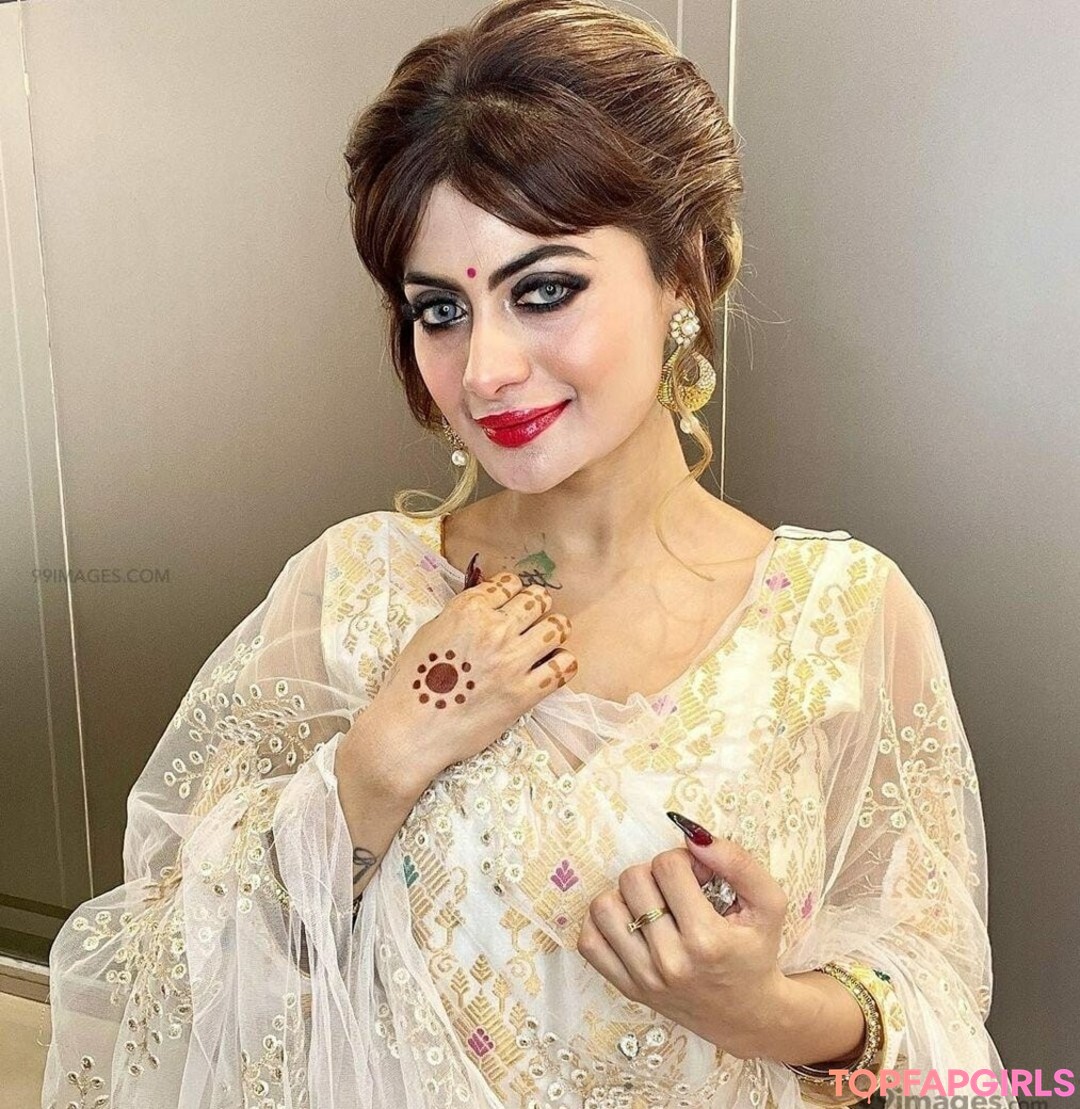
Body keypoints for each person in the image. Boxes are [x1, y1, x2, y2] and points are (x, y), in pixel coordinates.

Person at [42, 1, 1012, 1106]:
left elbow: (929, 980)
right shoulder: (354, 589)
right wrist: (382, 758)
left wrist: (767, 1011)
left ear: (686, 270)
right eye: (439, 310)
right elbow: (162, 975)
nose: (485, 368)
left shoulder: (841, 616)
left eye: (543, 289)